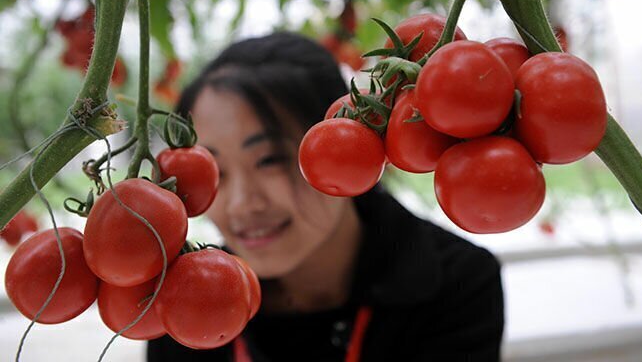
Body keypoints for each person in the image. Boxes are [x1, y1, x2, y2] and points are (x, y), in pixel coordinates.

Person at [147, 32, 504, 362]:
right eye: (212, 170)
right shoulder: (183, 309)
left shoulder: (457, 283)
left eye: (270, 159)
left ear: (348, 148)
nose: (241, 203)